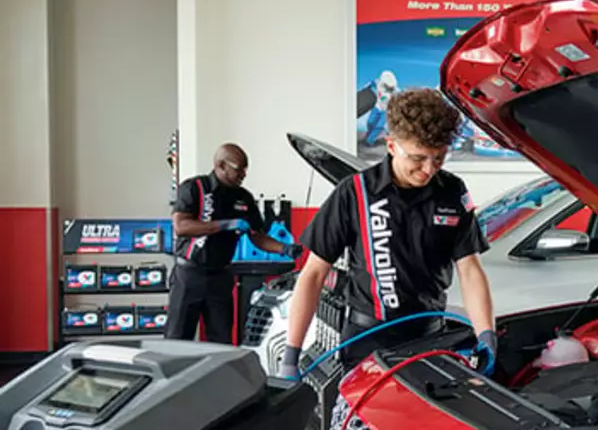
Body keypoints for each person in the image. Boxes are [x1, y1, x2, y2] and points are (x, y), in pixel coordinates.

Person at [279, 88, 496, 379]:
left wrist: (486, 335)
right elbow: (314, 273)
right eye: (418, 158)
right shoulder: (355, 193)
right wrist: (291, 357)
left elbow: (469, 269)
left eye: (439, 158)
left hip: (430, 340)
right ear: (391, 145)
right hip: (366, 344)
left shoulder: (452, 192)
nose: (428, 169)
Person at [167, 143, 303, 344]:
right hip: (189, 275)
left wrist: (285, 248)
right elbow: (181, 226)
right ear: (221, 165)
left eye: (246, 169)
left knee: (221, 341)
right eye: (239, 169)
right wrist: (224, 225)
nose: (244, 174)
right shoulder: (195, 188)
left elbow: (257, 235)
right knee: (177, 340)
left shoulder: (244, 198)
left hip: (220, 277)